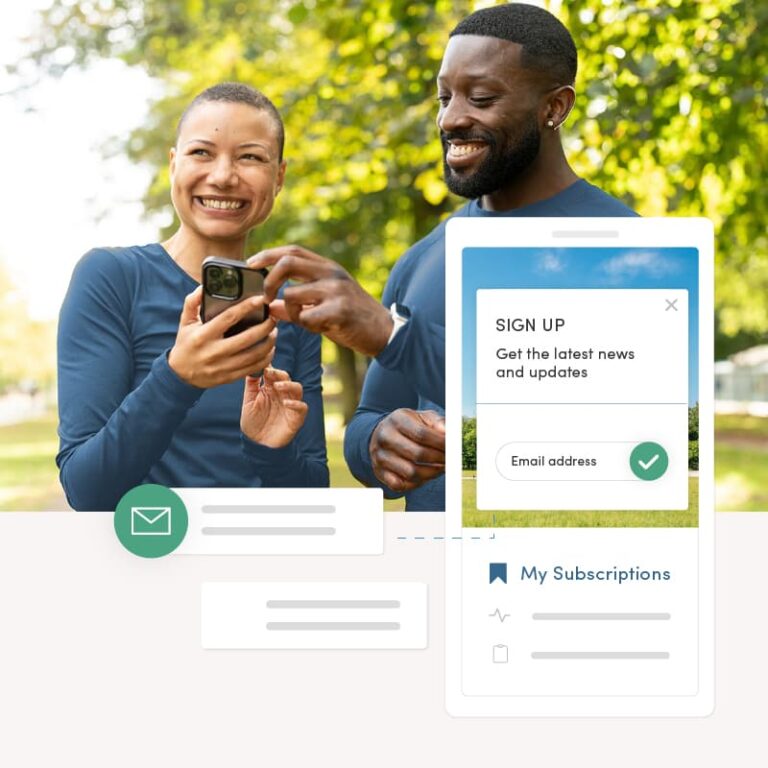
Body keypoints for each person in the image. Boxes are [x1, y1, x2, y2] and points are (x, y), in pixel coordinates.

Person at [246, 3, 637, 511]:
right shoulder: (423, 259)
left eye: (481, 98)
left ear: (555, 108)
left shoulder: (626, 249)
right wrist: (378, 443)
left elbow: (617, 435)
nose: (451, 119)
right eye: (444, 97)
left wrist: (393, 337)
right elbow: (371, 415)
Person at [57, 83, 328, 511]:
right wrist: (178, 378)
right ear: (173, 165)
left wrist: (270, 451)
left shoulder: (288, 306)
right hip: (151, 552)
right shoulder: (110, 278)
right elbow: (86, 492)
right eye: (202, 152)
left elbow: (313, 497)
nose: (223, 175)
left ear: (278, 177)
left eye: (250, 156)